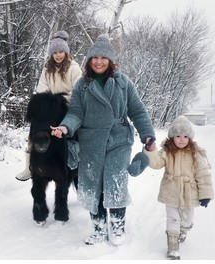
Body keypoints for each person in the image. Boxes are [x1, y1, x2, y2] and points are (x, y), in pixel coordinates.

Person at [51, 34, 155, 246]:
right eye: (95, 57)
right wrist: (65, 126)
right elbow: (76, 113)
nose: (99, 61)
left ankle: (117, 226)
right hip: (91, 142)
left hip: (118, 140)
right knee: (92, 186)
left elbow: (138, 111)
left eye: (104, 58)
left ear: (110, 60)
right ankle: (98, 229)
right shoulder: (82, 85)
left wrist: (147, 134)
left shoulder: (123, 83)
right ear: (89, 60)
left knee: (115, 183)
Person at [143, 115, 214, 260]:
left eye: (185, 136)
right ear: (172, 137)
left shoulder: (195, 154)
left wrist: (205, 194)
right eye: (178, 136)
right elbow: (156, 163)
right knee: (173, 219)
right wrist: (151, 150)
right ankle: (173, 246)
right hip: (171, 191)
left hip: (189, 193)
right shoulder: (167, 152)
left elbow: (203, 174)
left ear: (190, 138)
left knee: (187, 219)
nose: (182, 139)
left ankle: (184, 229)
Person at [15, 30, 82, 181]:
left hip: (68, 110)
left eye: (61, 51)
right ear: (51, 54)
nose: (58, 55)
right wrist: (46, 103)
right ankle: (30, 166)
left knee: (75, 133)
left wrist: (61, 100)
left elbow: (78, 92)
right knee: (35, 129)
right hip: (51, 110)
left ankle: (75, 161)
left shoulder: (74, 69)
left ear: (66, 52)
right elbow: (41, 89)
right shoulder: (47, 69)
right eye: (55, 52)